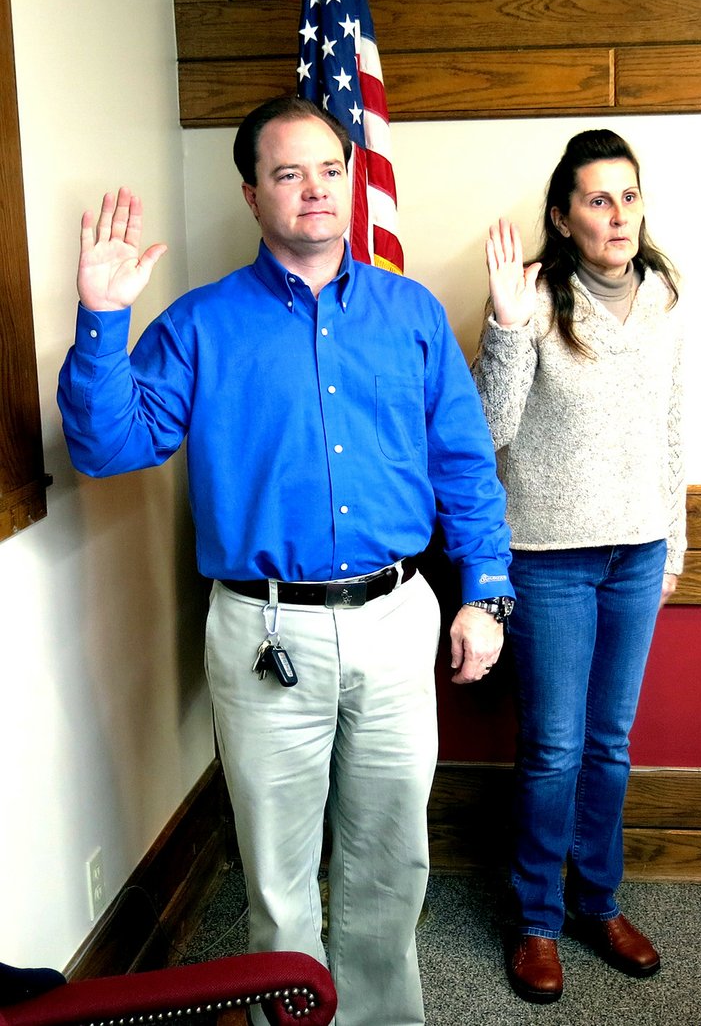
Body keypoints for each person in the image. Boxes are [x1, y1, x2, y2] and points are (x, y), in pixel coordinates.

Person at [58, 95, 515, 1026]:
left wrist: (486, 595)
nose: (316, 190)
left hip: (396, 619)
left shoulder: (412, 314)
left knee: (393, 856)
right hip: (265, 627)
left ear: (352, 181)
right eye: (288, 172)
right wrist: (103, 319)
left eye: (330, 169)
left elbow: (465, 464)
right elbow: (111, 447)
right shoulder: (199, 325)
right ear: (252, 192)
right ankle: (295, 1019)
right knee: (277, 863)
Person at [471, 129, 685, 1005]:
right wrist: (506, 327)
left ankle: (599, 902)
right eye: (598, 199)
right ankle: (536, 919)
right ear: (563, 216)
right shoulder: (534, 298)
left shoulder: (665, 294)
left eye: (628, 196)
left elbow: (675, 425)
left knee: (610, 745)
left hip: (637, 553)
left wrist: (673, 542)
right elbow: (489, 430)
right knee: (553, 747)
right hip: (549, 558)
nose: (618, 214)